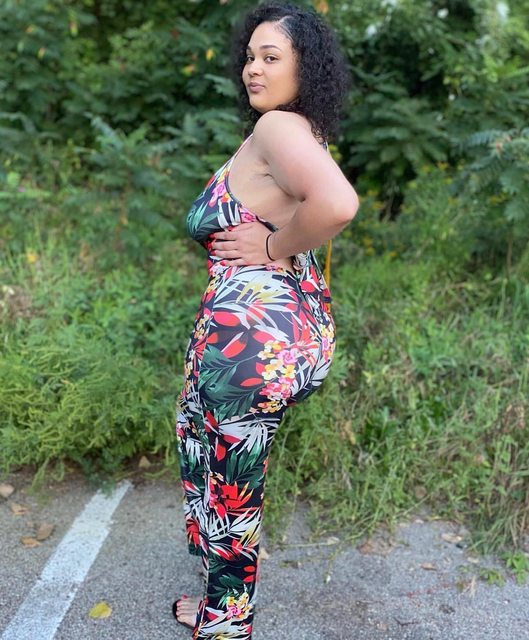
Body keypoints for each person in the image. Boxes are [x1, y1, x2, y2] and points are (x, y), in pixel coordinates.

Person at [173, 1, 359, 637]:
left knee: (229, 483)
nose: (253, 68)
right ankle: (220, 599)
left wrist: (272, 245)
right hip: (259, 340)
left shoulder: (280, 127)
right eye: (250, 57)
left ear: (305, 68)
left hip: (251, 344)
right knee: (217, 463)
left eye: (271, 57)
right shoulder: (293, 131)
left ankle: (226, 624)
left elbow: (337, 204)